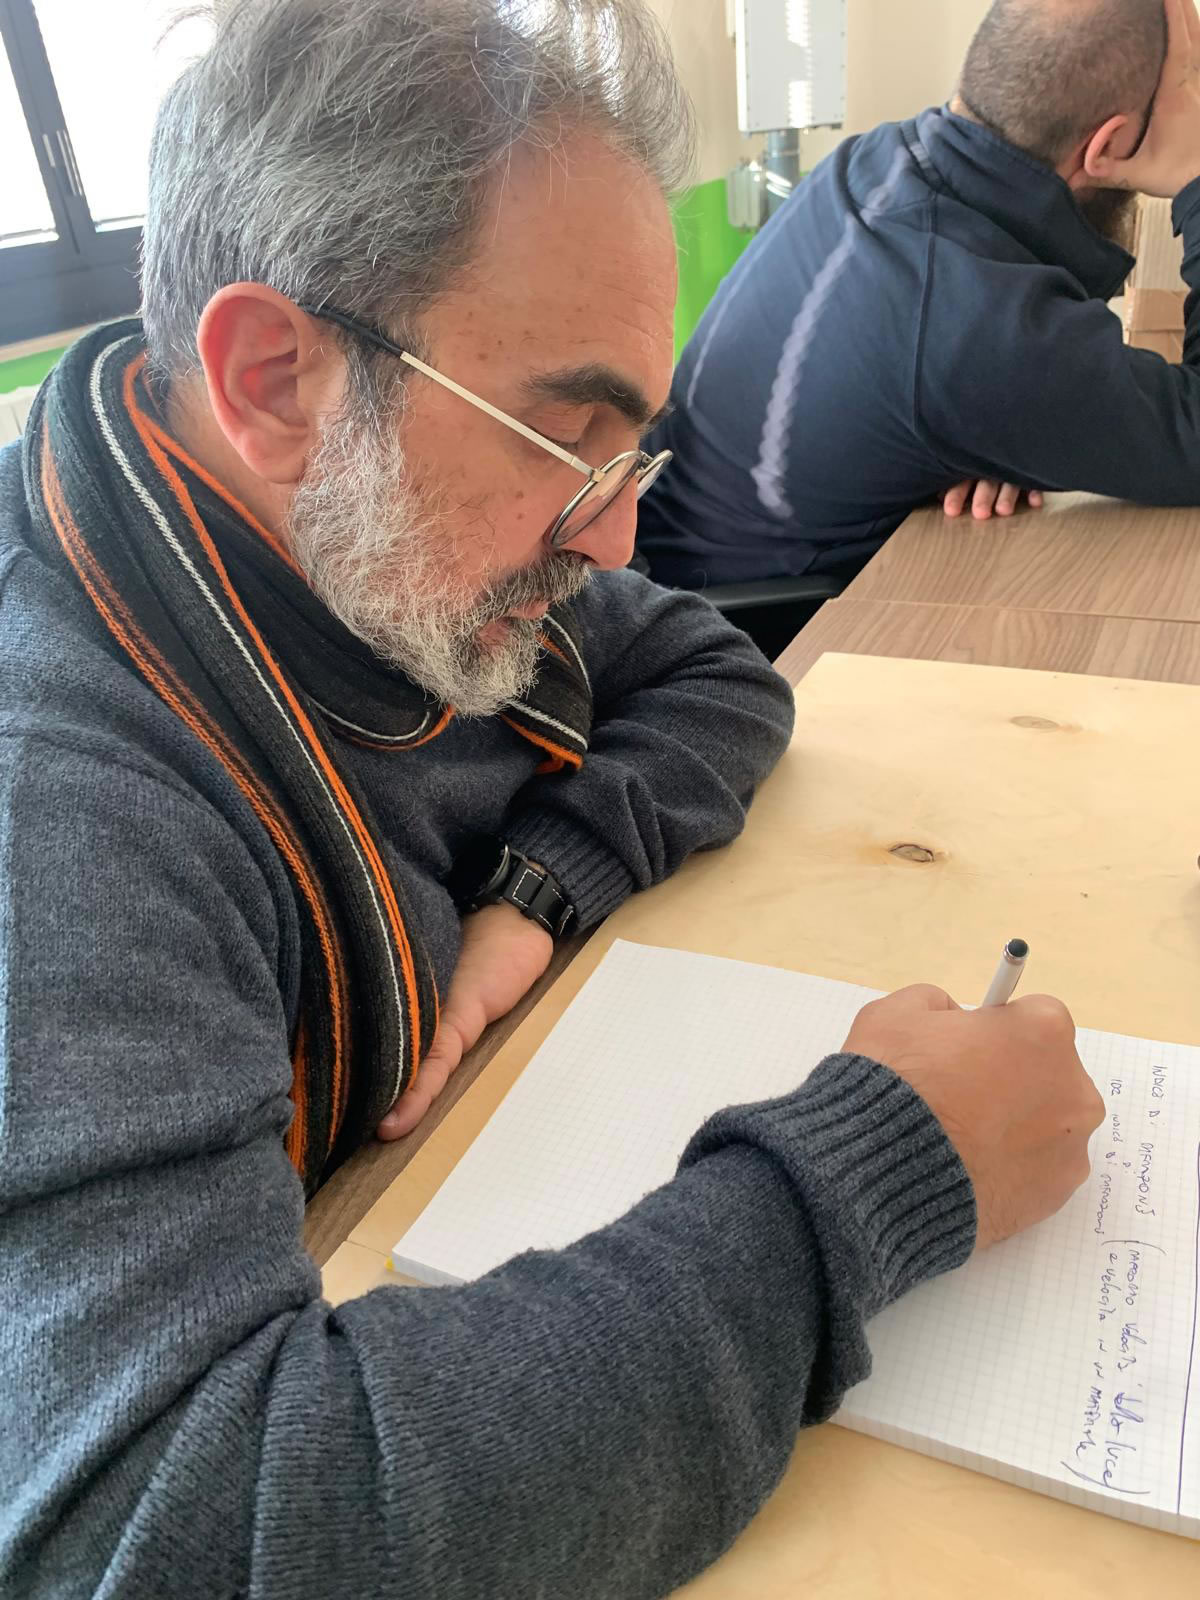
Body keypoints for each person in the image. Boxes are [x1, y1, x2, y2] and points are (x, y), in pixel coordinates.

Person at [0, 2, 1103, 1596]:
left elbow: (714, 671)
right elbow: (185, 1522)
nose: (613, 539)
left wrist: (537, 894)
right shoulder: (60, 796)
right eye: (569, 435)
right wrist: (875, 1177)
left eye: (629, 452)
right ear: (275, 380)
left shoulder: (373, 535)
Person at [636, 0, 1200, 591]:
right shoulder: (981, 329)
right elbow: (984, 353)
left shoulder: (873, 163)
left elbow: (968, 366)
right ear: (1107, 145)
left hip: (669, 551)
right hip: (749, 621)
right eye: (1187, 87)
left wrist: (1006, 431)